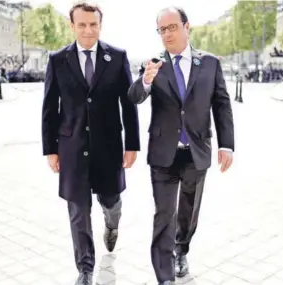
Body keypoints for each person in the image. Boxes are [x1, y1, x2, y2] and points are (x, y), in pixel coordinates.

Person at [127, 7, 234, 285]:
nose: (167, 34)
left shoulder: (209, 63)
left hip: (197, 152)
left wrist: (227, 145)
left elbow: (221, 104)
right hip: (163, 153)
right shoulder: (153, 64)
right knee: (165, 214)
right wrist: (146, 80)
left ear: (187, 27)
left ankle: (181, 249)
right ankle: (165, 277)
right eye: (162, 30)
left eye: (172, 27)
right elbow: (135, 96)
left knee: (188, 209)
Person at [41, 3, 140, 285]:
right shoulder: (58, 59)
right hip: (72, 148)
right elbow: (49, 108)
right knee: (78, 210)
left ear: (100, 25)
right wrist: (50, 149)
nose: (88, 30)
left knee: (110, 201)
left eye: (93, 24)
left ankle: (112, 223)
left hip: (108, 148)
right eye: (82, 25)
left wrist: (131, 144)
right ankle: (85, 268)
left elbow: (129, 105)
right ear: (72, 26)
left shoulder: (117, 58)